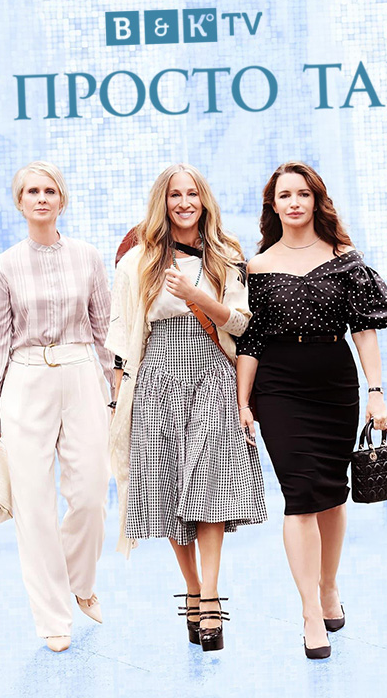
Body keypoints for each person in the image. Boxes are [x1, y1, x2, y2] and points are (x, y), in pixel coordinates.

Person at [105, 163, 267, 651]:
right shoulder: (137, 260)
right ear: (163, 201)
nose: (184, 203)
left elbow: (241, 324)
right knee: (170, 487)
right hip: (156, 377)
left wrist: (198, 296)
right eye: (175, 195)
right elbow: (120, 338)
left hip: (212, 374)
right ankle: (193, 590)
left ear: (204, 200)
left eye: (192, 194)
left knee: (210, 483)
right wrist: (116, 401)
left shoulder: (226, 254)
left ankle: (211, 598)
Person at [236, 161, 387, 659]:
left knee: (330, 494)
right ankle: (309, 613)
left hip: (335, 385)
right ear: (273, 204)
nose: (294, 202)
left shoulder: (346, 260)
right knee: (300, 494)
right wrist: (242, 402)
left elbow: (363, 330)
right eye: (285, 195)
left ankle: (328, 586)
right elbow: (251, 341)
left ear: (316, 200)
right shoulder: (257, 268)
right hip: (279, 388)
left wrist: (376, 391)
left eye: (303, 194)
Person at [0, 161, 114, 652]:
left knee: (92, 493)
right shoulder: (5, 264)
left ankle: (80, 581)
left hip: (80, 373)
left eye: (49, 190)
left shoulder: (88, 257)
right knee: (33, 504)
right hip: (25, 379)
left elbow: (104, 331)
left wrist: (116, 392)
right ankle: (53, 616)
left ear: (62, 199)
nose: (41, 198)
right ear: (19, 202)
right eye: (31, 191)